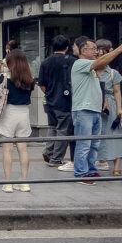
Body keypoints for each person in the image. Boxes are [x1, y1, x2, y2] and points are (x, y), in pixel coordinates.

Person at [71, 38, 122, 185]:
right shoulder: (80, 63)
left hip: (94, 109)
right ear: (83, 50)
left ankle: (91, 170)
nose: (96, 51)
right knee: (84, 143)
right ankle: (81, 173)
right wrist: (118, 49)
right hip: (83, 109)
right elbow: (100, 63)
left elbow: (100, 71)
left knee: (94, 144)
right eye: (93, 48)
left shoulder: (92, 68)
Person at [0, 49, 36, 192]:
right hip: (24, 113)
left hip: (9, 113)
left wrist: (2, 70)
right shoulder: (29, 79)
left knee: (7, 150)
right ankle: (24, 182)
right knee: (23, 149)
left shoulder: (5, 77)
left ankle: (8, 183)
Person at [94, 40, 122, 175]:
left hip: (110, 106)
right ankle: (99, 161)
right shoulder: (90, 71)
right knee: (97, 135)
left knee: (116, 134)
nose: (101, 57)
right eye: (98, 55)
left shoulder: (113, 73)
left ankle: (117, 167)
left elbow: (117, 92)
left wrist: (119, 108)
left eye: (105, 54)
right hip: (94, 105)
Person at [38, 35, 75, 170]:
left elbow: (41, 84)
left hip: (49, 100)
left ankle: (48, 151)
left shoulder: (45, 62)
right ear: (67, 47)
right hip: (65, 101)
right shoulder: (71, 61)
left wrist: (49, 93)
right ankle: (56, 158)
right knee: (63, 130)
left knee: (52, 127)